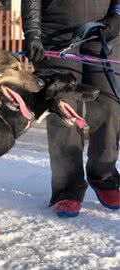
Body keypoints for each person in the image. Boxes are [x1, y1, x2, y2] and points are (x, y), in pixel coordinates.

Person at [22, 0, 120, 216]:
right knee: (63, 106)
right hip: (57, 30)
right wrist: (32, 32)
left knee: (110, 104)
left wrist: (118, 14)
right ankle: (67, 187)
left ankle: (104, 174)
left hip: (104, 28)